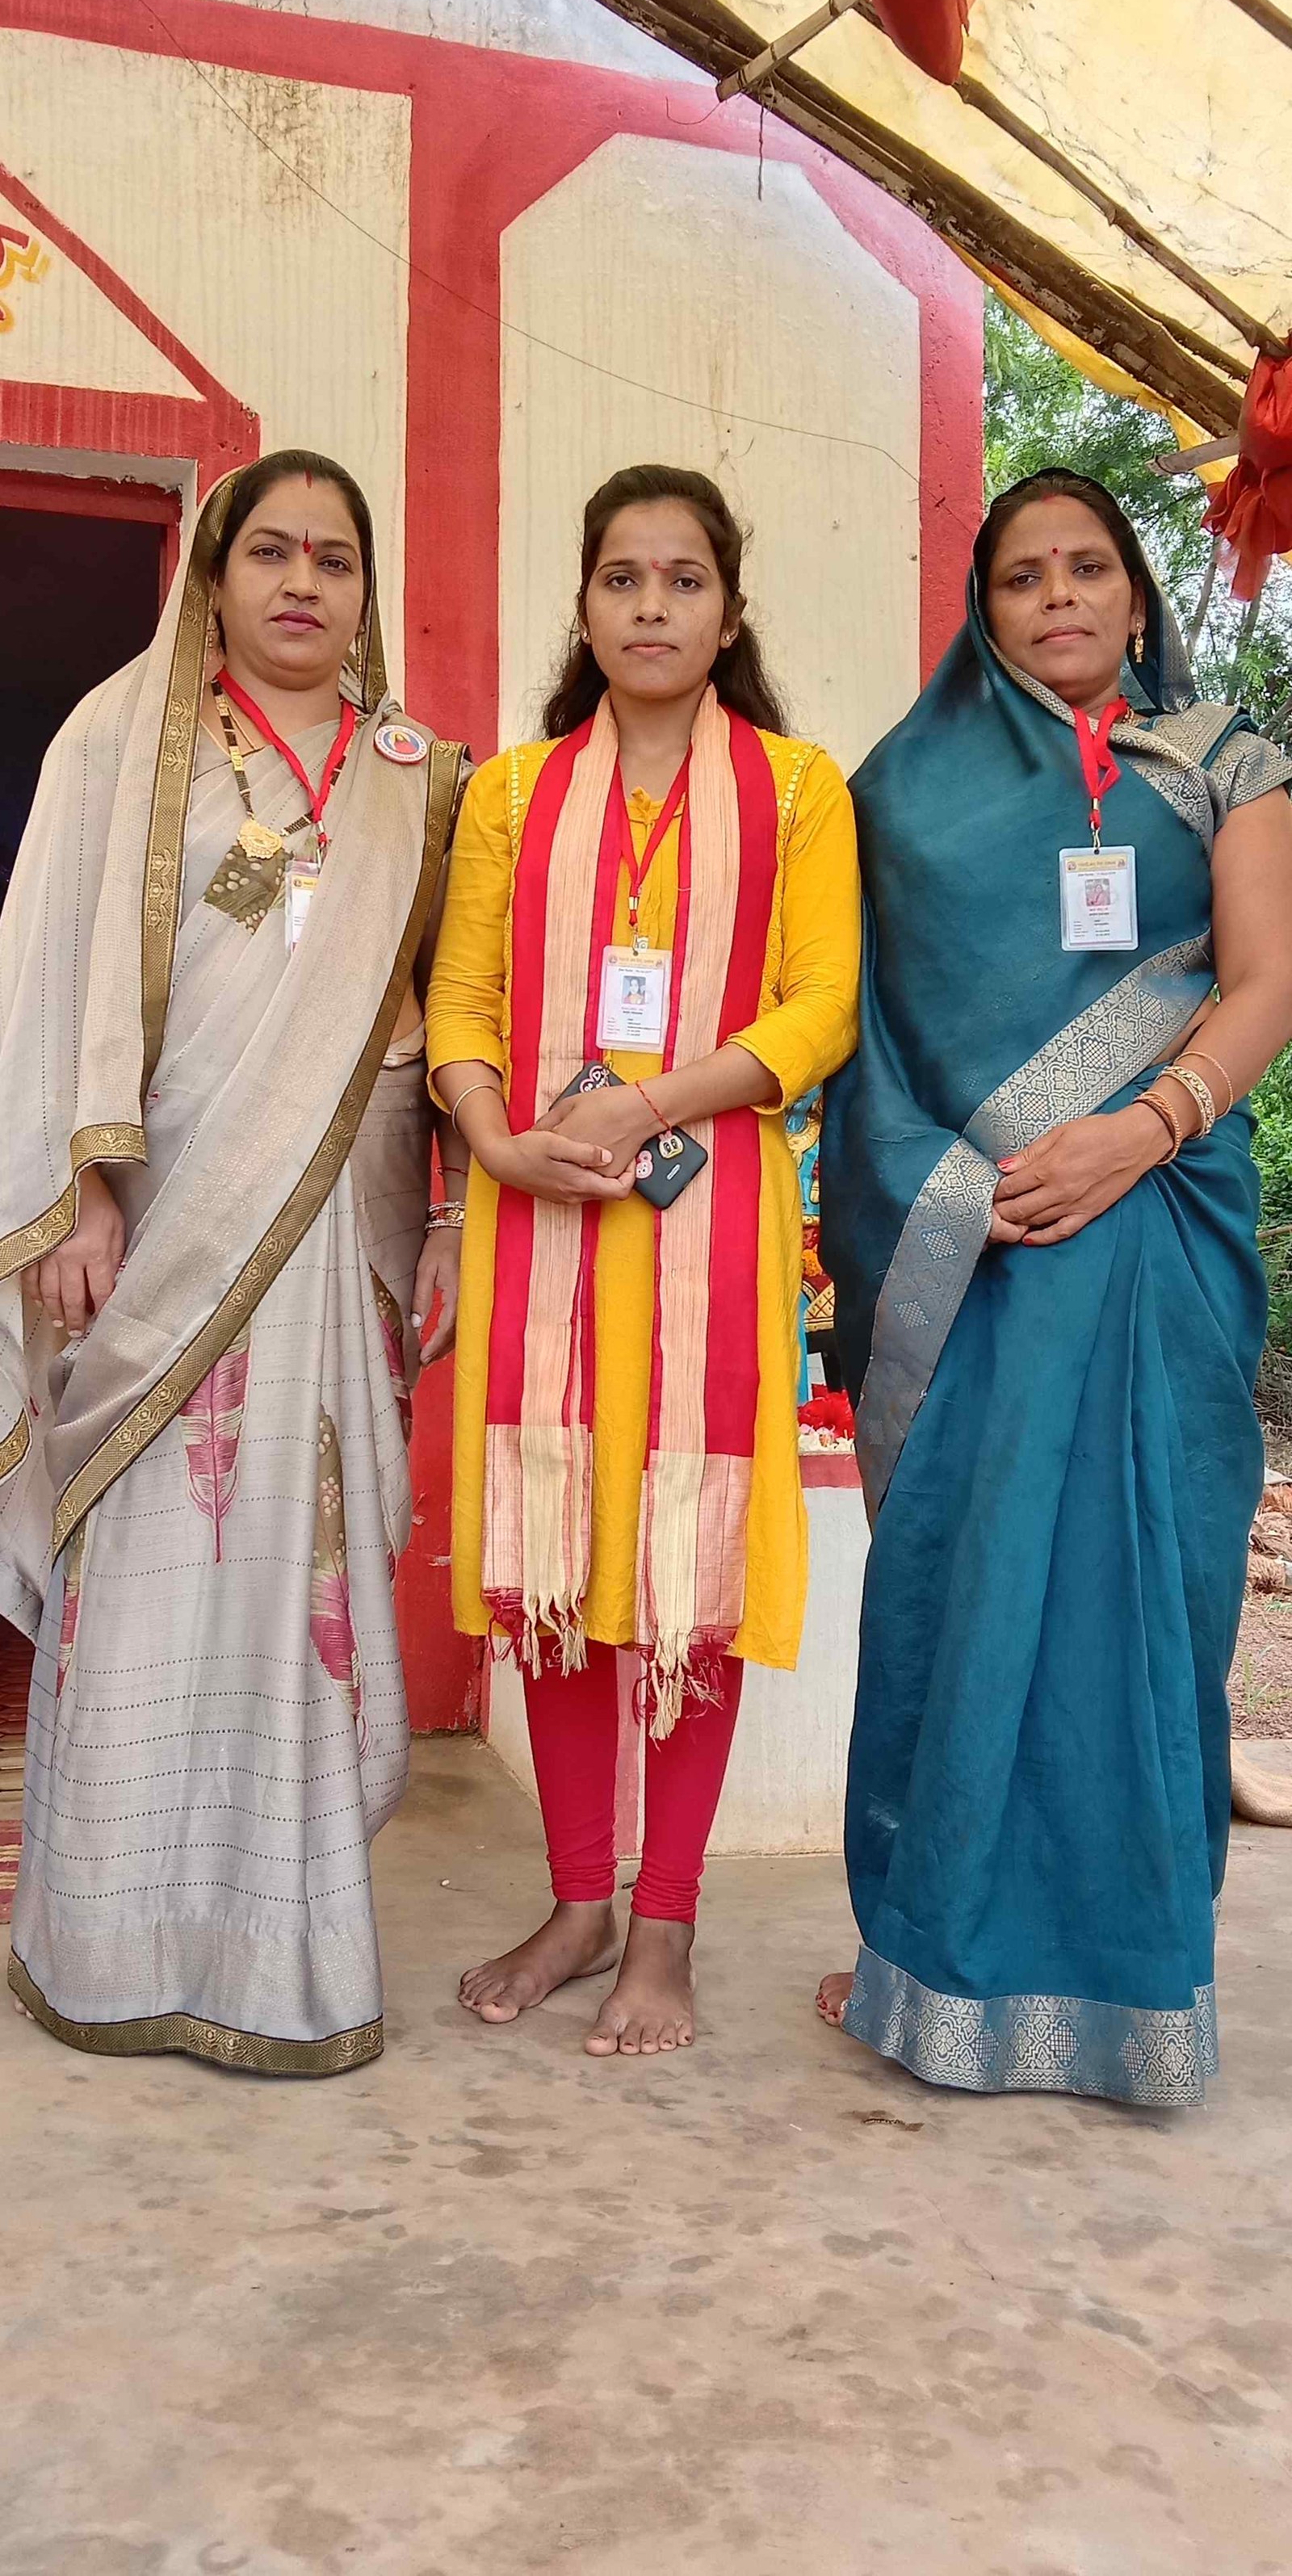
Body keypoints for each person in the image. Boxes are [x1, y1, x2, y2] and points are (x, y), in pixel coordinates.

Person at [816, 468, 1292, 2107]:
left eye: (1088, 567)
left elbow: (1265, 980)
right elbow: (865, 1029)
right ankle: (927, 1955)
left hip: (1156, 1222)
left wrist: (1140, 1131)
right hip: (977, 1244)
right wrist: (969, 1186)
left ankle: (1125, 1976)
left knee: (1136, 1590)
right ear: (983, 607)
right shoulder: (906, 787)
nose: (1060, 597)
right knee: (964, 1579)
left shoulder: (1224, 756)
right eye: (1023, 577)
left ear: (1135, 592)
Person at [0, 450, 467, 2072]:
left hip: (341, 1235)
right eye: (271, 551)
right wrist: (82, 1199)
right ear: (213, 576)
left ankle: (288, 1959)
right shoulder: (121, 745)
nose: (303, 583)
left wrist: (450, 1220)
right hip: (158, 1234)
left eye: (335, 558)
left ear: (366, 591)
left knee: (299, 1569)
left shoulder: (422, 777)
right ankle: (107, 1945)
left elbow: (451, 1026)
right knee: (143, 1577)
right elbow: (45, 979)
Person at [426, 464, 859, 2055]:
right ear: (586, 607)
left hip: (710, 1222)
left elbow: (820, 1005)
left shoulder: (799, 791)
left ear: (728, 613)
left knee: (689, 1569)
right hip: (540, 1216)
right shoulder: (510, 796)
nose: (652, 606)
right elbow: (463, 997)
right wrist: (494, 1138)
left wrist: (645, 1104)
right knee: (554, 1565)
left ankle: (661, 1924)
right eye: (623, 578)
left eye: (684, 580)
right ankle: (577, 1902)